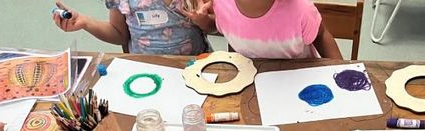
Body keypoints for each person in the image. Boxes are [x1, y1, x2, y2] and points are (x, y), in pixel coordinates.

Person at [183, 0, 342, 59]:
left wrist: (341, 70)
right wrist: (204, 22)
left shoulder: (300, 10)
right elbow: (221, 26)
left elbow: (320, 36)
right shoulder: (221, 5)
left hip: (298, 77)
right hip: (250, 81)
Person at [52, 0, 209, 55]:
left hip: (195, 63)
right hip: (144, 69)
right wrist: (85, 22)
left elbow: (215, 27)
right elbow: (119, 34)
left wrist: (204, 21)